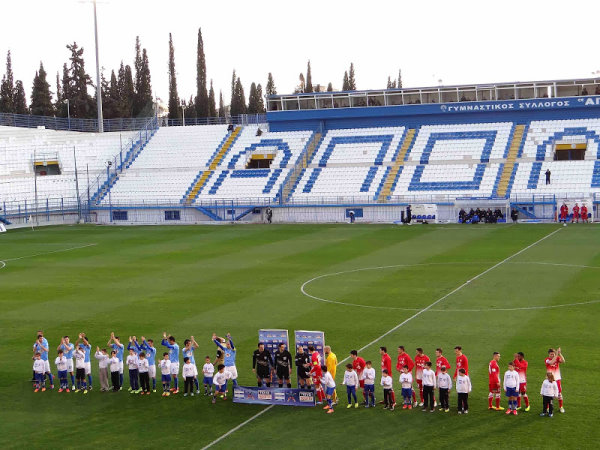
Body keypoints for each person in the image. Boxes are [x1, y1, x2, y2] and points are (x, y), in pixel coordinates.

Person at [545, 347, 566, 413]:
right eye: (551, 354)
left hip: (557, 379)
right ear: (549, 354)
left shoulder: (557, 358)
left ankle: (561, 407)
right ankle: (548, 408)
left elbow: (563, 361)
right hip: (550, 379)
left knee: (559, 393)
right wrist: (556, 355)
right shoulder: (547, 360)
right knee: (548, 393)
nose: (552, 355)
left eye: (553, 354)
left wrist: (560, 354)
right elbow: (551, 362)